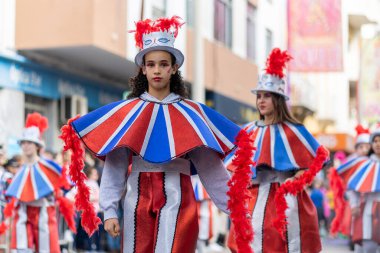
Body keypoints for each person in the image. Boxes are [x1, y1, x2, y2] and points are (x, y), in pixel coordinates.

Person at [60, 16, 241, 253]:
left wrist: (237, 209)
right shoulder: (128, 114)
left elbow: (211, 169)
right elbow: (116, 166)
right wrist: (110, 210)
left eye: (164, 64)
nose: (157, 70)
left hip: (180, 199)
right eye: (151, 64)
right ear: (143, 69)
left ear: (174, 68)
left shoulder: (191, 114)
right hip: (137, 201)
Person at [225, 48, 329, 253]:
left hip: (287, 201)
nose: (261, 101)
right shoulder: (247, 131)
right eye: (259, 96)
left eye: (267, 96)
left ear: (278, 100)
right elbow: (234, 169)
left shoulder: (295, 131)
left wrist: (294, 181)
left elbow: (312, 165)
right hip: (253, 200)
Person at [1, 112, 75, 253]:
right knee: (22, 250)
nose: (26, 146)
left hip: (45, 217)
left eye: (29, 142)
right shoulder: (19, 173)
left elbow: (67, 183)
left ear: (37, 146)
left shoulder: (49, 167)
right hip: (23, 217)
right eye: (23, 142)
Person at [333, 126, 380, 253]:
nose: (377, 144)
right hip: (367, 211)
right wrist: (354, 205)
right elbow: (351, 187)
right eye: (375, 141)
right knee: (367, 248)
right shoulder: (362, 164)